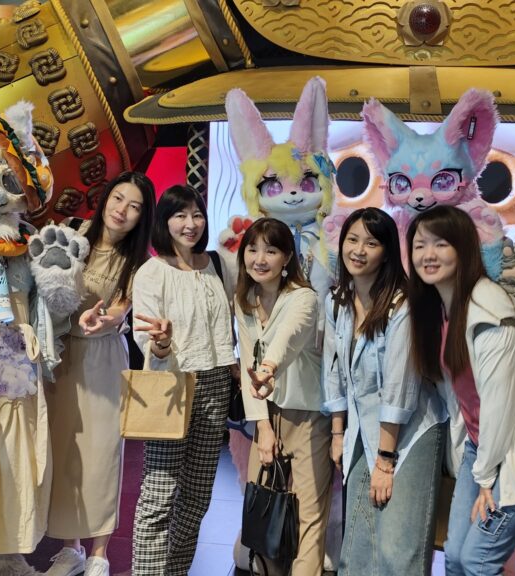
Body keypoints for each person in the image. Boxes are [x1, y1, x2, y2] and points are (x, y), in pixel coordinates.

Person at [406, 206, 515, 576]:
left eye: (440, 244)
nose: (428, 255)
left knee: (477, 560)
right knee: (455, 556)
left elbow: (499, 403)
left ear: (463, 249)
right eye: (420, 245)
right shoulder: (442, 309)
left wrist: (486, 478)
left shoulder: (489, 308)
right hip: (484, 447)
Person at [322, 207, 447, 575]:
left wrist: (385, 461)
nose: (358, 250)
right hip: (363, 428)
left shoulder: (403, 304)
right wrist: (337, 433)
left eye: (371, 243)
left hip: (410, 430)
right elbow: (333, 371)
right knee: (358, 541)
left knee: (397, 547)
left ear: (388, 252)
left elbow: (399, 388)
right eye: (352, 240)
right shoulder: (337, 300)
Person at [43, 172, 156, 576]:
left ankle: (99, 552)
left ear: (142, 216)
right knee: (64, 449)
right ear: (106, 197)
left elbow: (122, 309)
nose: (122, 210)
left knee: (103, 452)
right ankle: (70, 548)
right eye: (118, 198)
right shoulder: (70, 233)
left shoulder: (140, 262)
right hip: (60, 354)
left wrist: (111, 319)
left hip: (102, 358)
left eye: (134, 206)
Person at [130, 184, 236, 576]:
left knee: (196, 498)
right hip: (171, 386)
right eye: (180, 215)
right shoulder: (152, 272)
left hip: (216, 384)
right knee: (159, 496)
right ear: (164, 221)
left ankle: (175, 571)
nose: (190, 224)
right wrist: (160, 343)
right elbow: (144, 336)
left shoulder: (218, 265)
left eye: (197, 215)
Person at [234, 218, 329, 575]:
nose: (260, 259)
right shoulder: (244, 300)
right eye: (253, 249)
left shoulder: (304, 298)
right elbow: (248, 358)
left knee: (308, 513)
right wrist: (262, 426)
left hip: (308, 415)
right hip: (267, 412)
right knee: (263, 506)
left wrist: (269, 368)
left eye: (271, 251)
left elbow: (287, 338)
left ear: (287, 257)